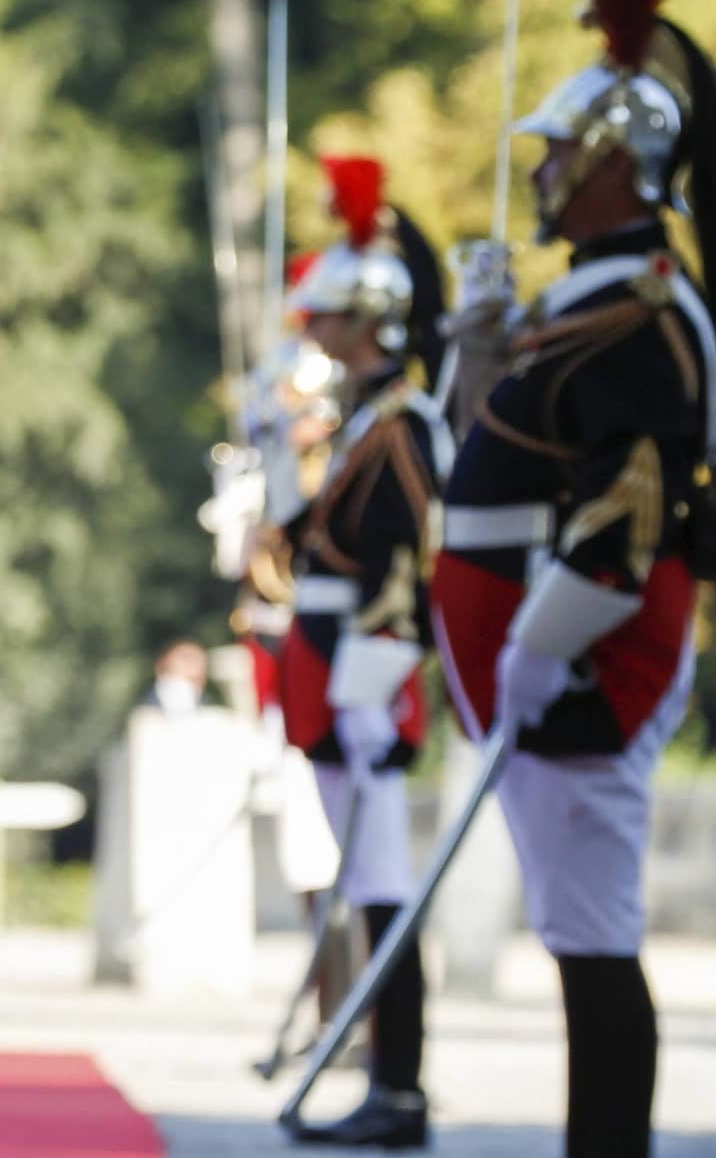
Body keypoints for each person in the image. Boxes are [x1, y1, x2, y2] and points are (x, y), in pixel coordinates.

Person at [432, 0, 716, 1156]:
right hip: (542, 657)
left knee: (592, 941)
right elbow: (511, 450)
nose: (543, 169)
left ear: (615, 165)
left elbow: (624, 513)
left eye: (559, 150)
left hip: (581, 659)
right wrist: (475, 352)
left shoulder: (639, 314)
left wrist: (533, 648)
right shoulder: (588, 299)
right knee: (577, 936)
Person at [275, 156, 452, 1148]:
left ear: (368, 322)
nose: (314, 332)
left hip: (365, 678)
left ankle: (399, 1084)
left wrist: (380, 687)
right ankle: (385, 1076)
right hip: (332, 668)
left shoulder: (402, 425)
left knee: (382, 886)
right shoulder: (359, 423)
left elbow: (420, 565)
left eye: (328, 317)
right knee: (366, 880)